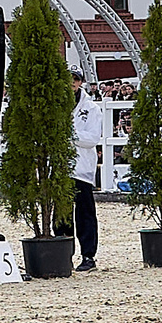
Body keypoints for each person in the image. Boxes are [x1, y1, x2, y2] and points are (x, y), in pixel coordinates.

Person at [69, 70, 108, 272]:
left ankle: (88, 256)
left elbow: (92, 138)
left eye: (75, 79)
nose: (72, 83)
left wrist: (69, 134)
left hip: (82, 169)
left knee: (85, 215)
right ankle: (64, 255)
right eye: (69, 79)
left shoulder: (91, 108)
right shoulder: (56, 105)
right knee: (62, 216)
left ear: (81, 82)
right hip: (60, 169)